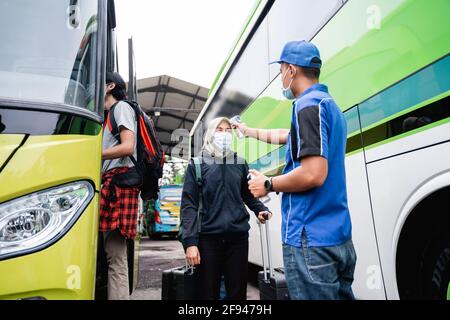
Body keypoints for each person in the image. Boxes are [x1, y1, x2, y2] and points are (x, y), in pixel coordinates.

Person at [238, 41, 357, 300]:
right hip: (337, 240)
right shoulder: (328, 105)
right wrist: (249, 132)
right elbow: (287, 136)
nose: (280, 76)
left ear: (291, 70)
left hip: (310, 240)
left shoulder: (307, 106)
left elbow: (314, 173)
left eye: (281, 70)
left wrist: (268, 184)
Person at [181, 117, 272, 300]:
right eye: (219, 130)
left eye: (228, 130)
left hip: (237, 239)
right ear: (210, 134)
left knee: (237, 294)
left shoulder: (239, 162)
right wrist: (190, 242)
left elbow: (247, 194)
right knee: (208, 294)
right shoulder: (197, 164)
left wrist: (260, 209)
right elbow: (189, 205)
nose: (224, 134)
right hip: (207, 240)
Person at [99, 71, 139, 300]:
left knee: (116, 257)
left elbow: (128, 146)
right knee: (112, 254)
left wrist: (94, 154)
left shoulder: (121, 108)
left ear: (110, 85)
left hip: (118, 186)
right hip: (112, 184)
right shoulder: (108, 115)